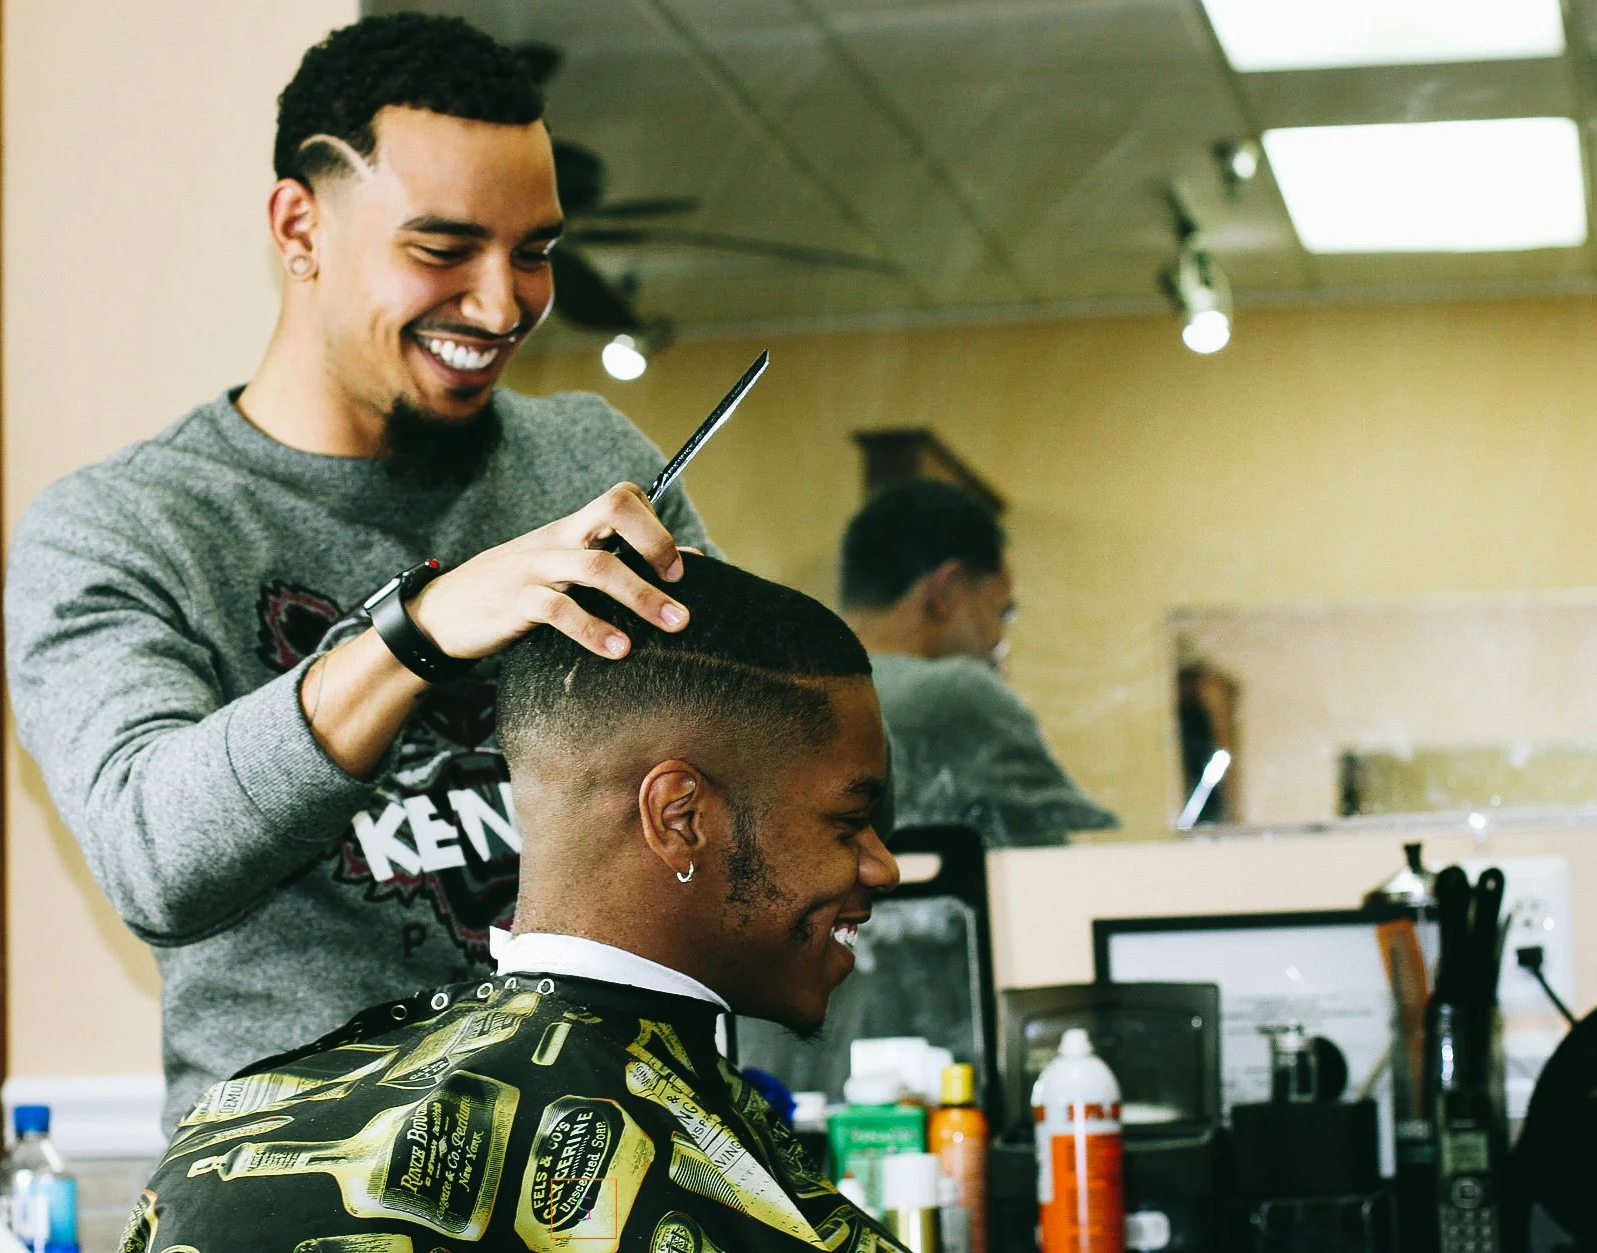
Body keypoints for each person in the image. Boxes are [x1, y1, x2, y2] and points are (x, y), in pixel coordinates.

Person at [4, 13, 713, 1128]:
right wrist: (418, 633)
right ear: (300, 226)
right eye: (442, 250)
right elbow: (152, 856)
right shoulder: (122, 529)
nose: (500, 305)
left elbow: (739, 798)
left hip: (605, 1166)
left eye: (532, 252)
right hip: (304, 1197)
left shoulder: (593, 464)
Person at [116, 555, 906, 1253]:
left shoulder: (233, 1131)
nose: (883, 865)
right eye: (850, 819)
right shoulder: (747, 1207)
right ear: (680, 817)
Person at [838, 479, 1115, 847]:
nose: (997, 642)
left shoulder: (782, 688)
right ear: (947, 590)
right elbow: (1061, 864)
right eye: (999, 612)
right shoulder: (953, 693)